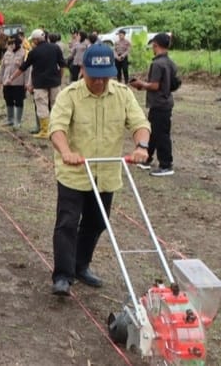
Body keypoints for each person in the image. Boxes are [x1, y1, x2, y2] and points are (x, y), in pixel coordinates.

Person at [47, 43, 151, 295]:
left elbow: (139, 123)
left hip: (106, 173)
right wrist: (67, 152)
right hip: (74, 173)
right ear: (83, 70)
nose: (100, 83)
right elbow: (56, 128)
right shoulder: (69, 95)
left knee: (96, 222)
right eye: (95, 77)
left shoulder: (123, 94)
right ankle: (63, 275)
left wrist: (142, 146)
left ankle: (81, 265)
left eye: (105, 77)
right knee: (67, 223)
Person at [130, 33, 176, 176]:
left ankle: (166, 165)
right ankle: (147, 158)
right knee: (154, 131)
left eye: (152, 45)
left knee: (161, 135)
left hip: (159, 103)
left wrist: (140, 84)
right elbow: (174, 83)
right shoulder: (170, 62)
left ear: (155, 45)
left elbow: (155, 85)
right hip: (166, 101)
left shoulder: (157, 64)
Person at [6, 29, 66, 138]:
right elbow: (62, 65)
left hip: (40, 83)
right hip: (54, 81)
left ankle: (44, 130)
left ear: (36, 40)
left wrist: (11, 78)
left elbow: (23, 67)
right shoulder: (55, 48)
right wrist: (60, 78)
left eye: (33, 40)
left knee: (42, 106)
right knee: (55, 105)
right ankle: (57, 129)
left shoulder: (34, 52)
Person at [0, 35, 29, 129]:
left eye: (13, 43)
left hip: (19, 83)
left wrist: (27, 82)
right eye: (10, 43)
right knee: (8, 100)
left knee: (19, 101)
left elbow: (27, 70)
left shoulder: (24, 54)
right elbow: (2, 68)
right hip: (7, 82)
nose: (11, 45)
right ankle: (10, 119)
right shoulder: (7, 53)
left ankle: (18, 121)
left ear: (18, 44)